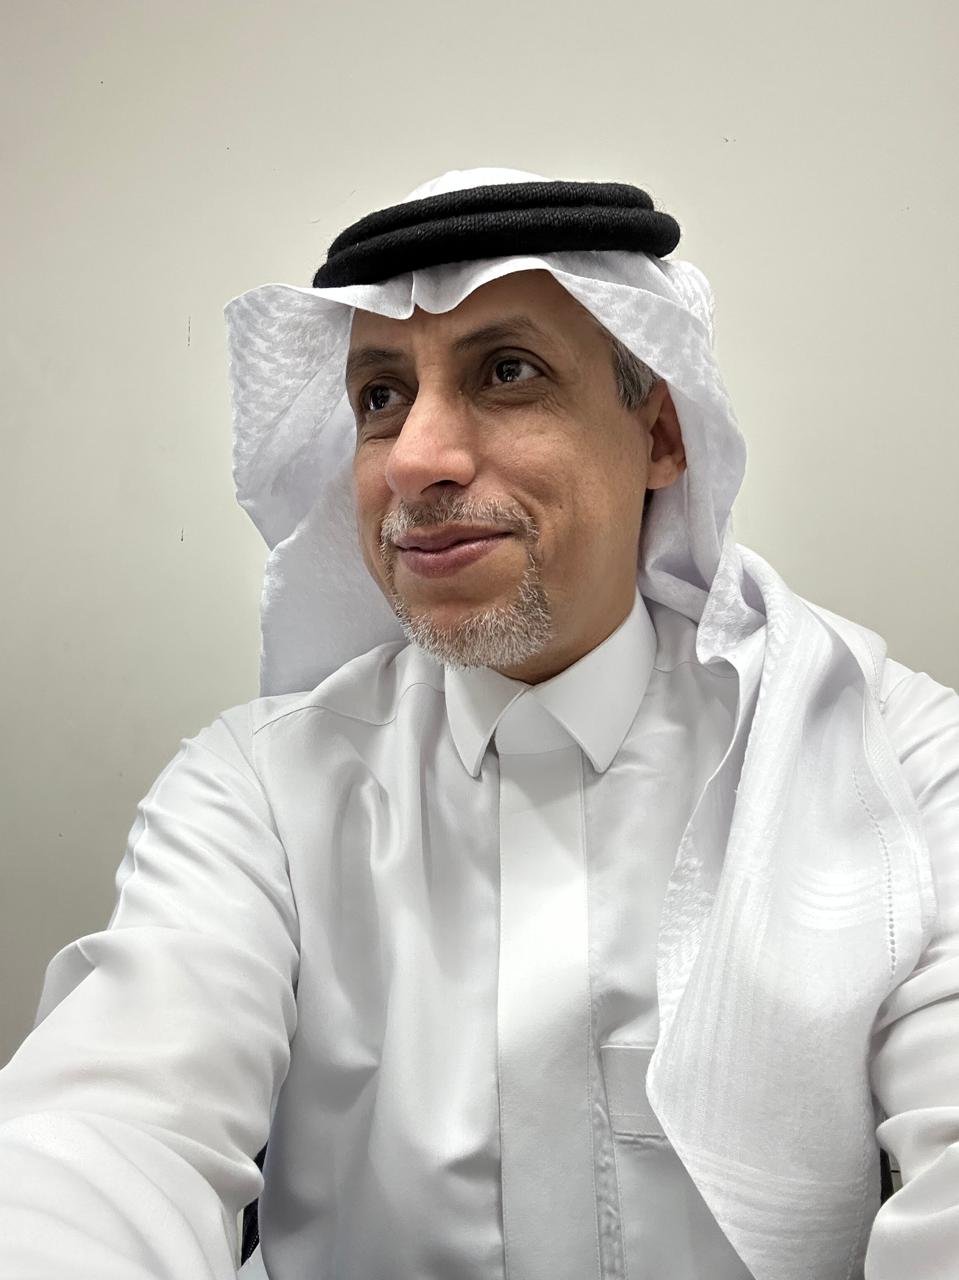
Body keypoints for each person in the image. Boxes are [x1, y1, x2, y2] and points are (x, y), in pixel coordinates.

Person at [0, 167, 956, 1280]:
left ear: (659, 434)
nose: (413, 459)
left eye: (507, 372)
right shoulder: (256, 793)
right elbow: (107, 1130)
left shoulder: (888, 755)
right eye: (379, 396)